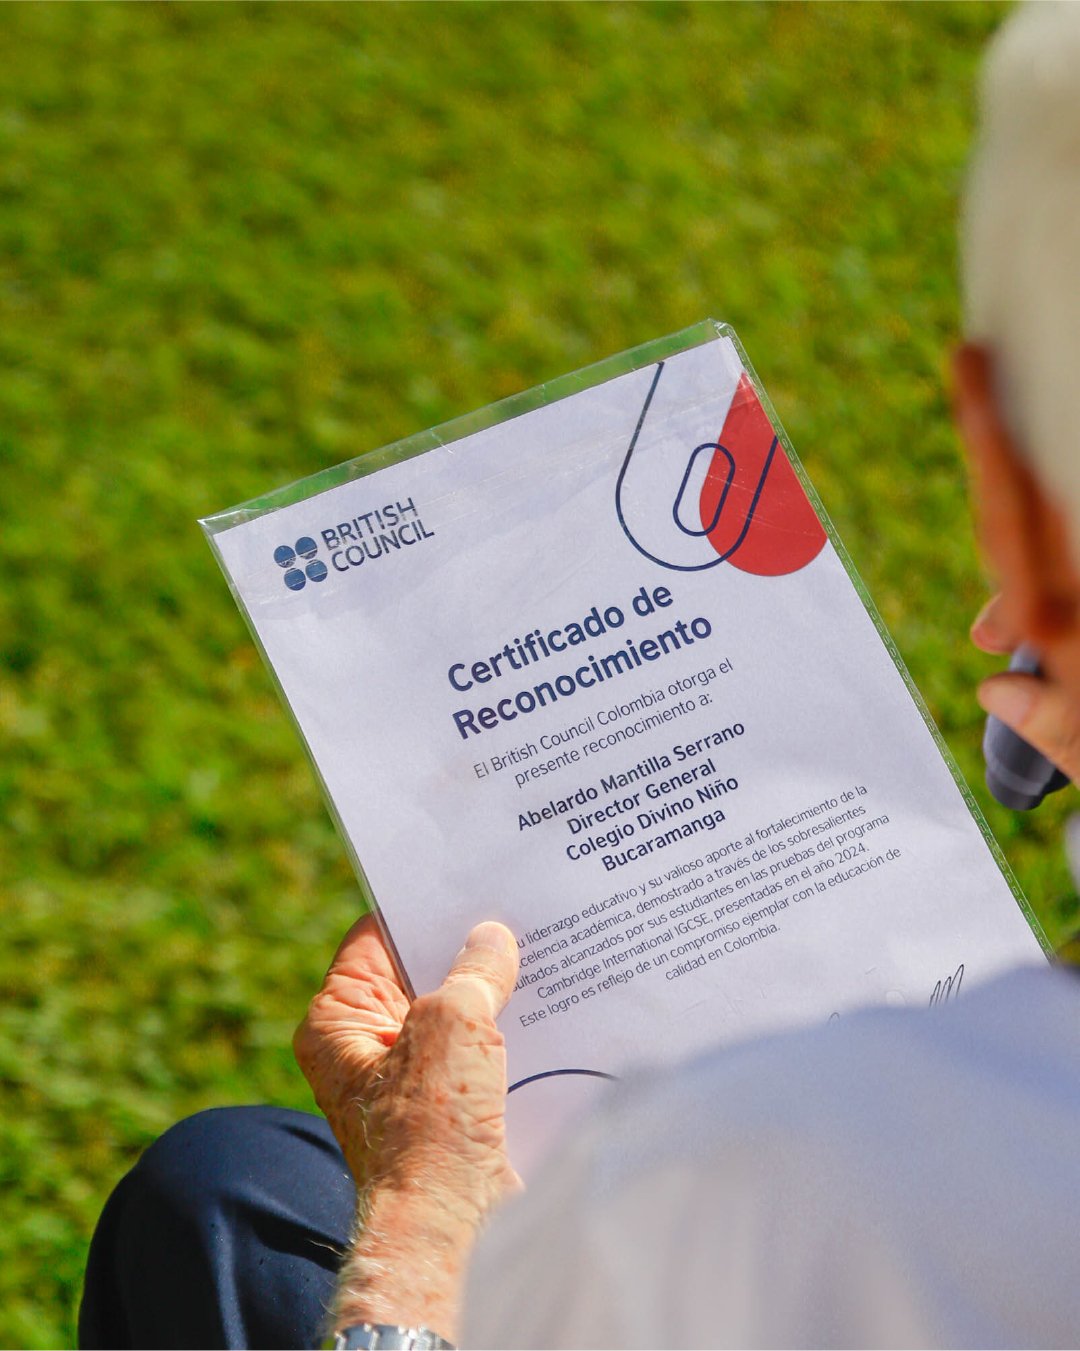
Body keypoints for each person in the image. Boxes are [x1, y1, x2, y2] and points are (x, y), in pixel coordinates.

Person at [80, 3, 1080, 1347]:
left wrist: (426, 1234)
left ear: (1007, 485)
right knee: (240, 1188)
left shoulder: (832, 1165)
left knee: (217, 1210)